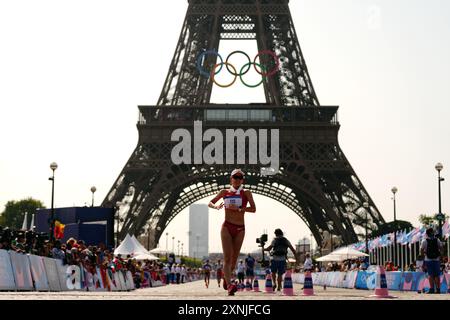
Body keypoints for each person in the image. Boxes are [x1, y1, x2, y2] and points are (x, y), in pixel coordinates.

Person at [208, 168, 256, 296]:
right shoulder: (224, 192)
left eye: (240, 178)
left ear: (242, 180)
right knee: (227, 258)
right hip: (227, 227)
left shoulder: (246, 193)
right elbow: (210, 203)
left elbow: (253, 209)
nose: (237, 180)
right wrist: (216, 206)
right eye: (235, 177)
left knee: (234, 260)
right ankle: (229, 285)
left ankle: (226, 277)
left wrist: (240, 209)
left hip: (240, 228)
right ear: (231, 179)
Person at [420, 228, 444, 294]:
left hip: (428, 259)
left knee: (431, 275)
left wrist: (423, 258)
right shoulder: (437, 240)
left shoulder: (424, 241)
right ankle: (438, 289)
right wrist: (441, 256)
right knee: (437, 275)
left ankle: (432, 289)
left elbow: (421, 250)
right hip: (436, 259)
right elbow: (441, 248)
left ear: (427, 234)